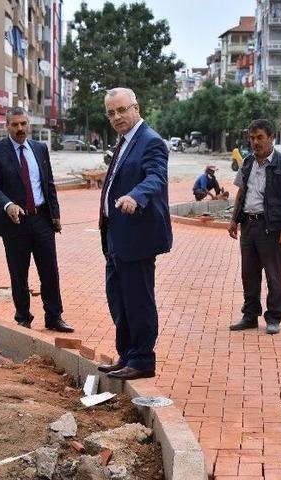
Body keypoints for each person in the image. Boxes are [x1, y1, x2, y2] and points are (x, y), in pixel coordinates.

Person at [96, 87, 172, 380]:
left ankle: (142, 359)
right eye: (111, 113)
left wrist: (136, 196)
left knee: (138, 299)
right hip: (116, 234)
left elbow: (156, 176)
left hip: (137, 235)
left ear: (136, 108)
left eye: (121, 110)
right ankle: (126, 355)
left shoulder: (150, 141)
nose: (116, 117)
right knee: (118, 298)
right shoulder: (125, 141)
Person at [0, 107, 74, 333]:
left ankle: (54, 317)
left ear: (29, 124)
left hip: (42, 219)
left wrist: (55, 215)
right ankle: (23, 318)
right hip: (15, 222)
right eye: (15, 125)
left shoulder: (40, 149)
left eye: (23, 123)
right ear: (7, 126)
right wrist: (8, 205)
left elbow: (49, 184)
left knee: (50, 272)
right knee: (18, 273)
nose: (20, 128)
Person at [228, 119, 281, 335]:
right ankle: (250, 316)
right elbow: (241, 192)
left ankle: (274, 317)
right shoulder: (247, 163)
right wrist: (233, 219)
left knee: (273, 274)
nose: (255, 142)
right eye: (251, 138)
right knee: (248, 274)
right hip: (248, 226)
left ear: (271, 138)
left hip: (272, 228)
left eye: (260, 137)